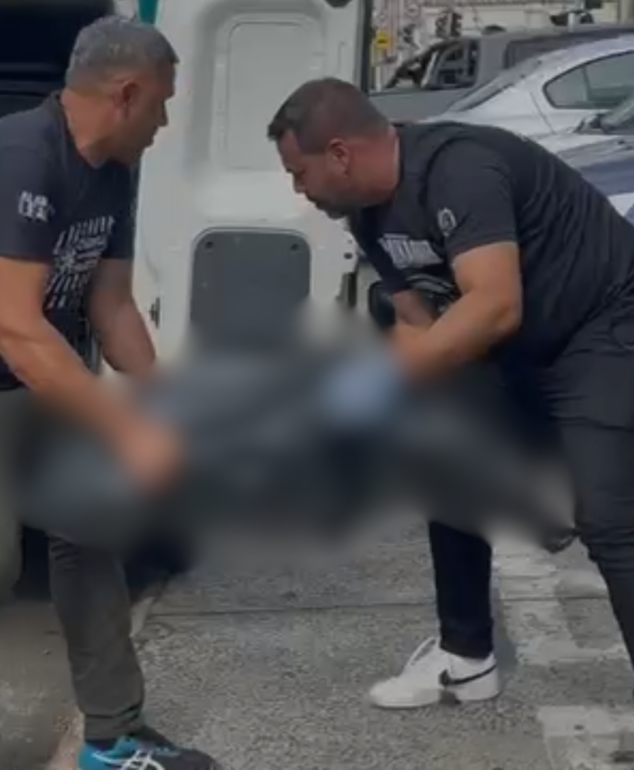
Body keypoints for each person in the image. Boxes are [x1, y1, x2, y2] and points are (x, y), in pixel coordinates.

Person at [266, 76, 634, 710]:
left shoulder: (458, 168)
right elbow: (419, 328)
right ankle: (466, 659)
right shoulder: (367, 212)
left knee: (608, 516)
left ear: (340, 153)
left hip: (601, 328)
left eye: (299, 172)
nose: (298, 188)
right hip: (517, 346)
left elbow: (494, 305)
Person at [0, 17, 219, 770]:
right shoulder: (20, 159)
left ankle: (112, 738)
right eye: (161, 103)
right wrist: (127, 435)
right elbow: (14, 328)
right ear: (126, 94)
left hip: (43, 370)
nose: (164, 122)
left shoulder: (114, 172)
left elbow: (112, 307)